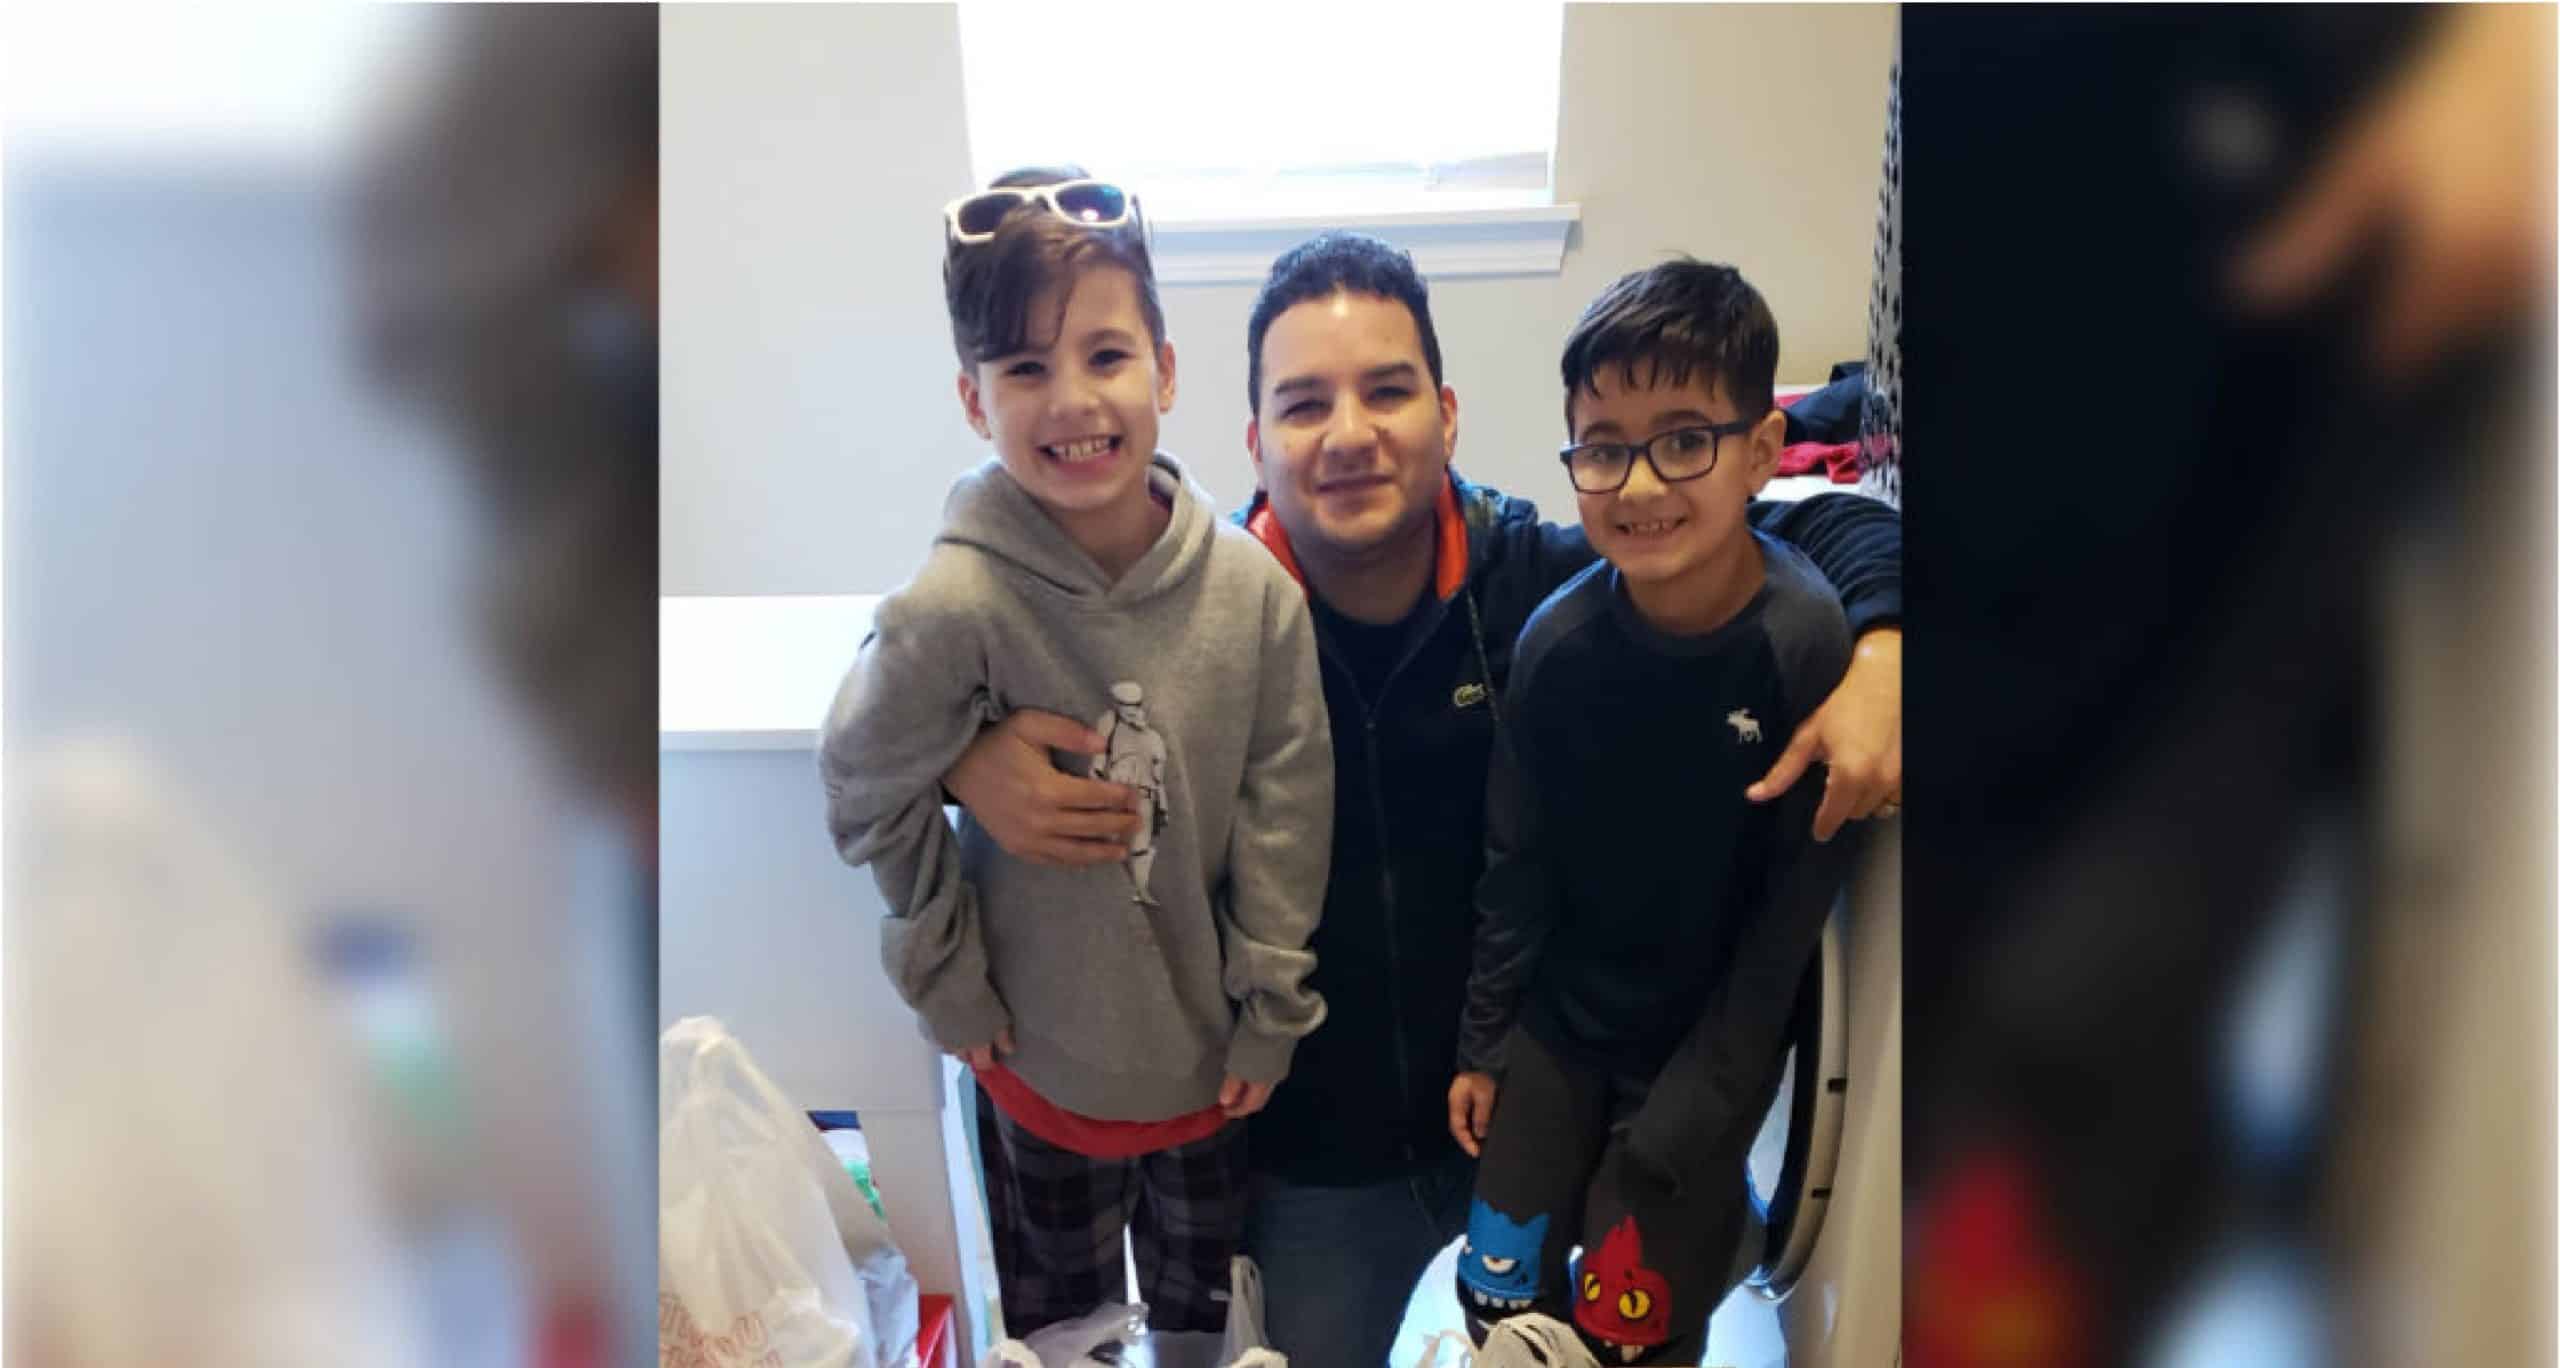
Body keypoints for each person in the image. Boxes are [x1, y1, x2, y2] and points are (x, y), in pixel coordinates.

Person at [945, 230, 1905, 1367]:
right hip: (1308, 1167)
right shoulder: (1185, 618)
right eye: (1304, 404)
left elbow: (1815, 521)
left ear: (1447, 417)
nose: (1349, 433)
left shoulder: (1542, 582)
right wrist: (962, 756)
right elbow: (925, 645)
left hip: (1540, 1108)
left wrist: (1886, 650)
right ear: (1255, 443)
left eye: (1387, 391)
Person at [817, 167, 1335, 1341]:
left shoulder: (1256, 597)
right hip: (1035, 1075)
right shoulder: (949, 606)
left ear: (1165, 368)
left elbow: (1287, 814)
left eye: (1105, 355)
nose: (1071, 400)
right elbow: (860, 785)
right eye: (1023, 368)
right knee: (1059, 1337)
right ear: (972, 398)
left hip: (1212, 1071)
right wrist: (942, 970)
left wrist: (1271, 1008)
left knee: (1209, 1333)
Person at [1446, 259, 1862, 1365]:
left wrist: (1703, 1110)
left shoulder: (1803, 644)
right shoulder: (1557, 646)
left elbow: (1788, 920)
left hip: (1702, 1049)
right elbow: (1515, 864)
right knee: (1496, 1291)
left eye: (1683, 441)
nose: (1638, 486)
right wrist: (1485, 1045)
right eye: (1602, 448)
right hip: (1556, 1032)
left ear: (1762, 452)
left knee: (1632, 1323)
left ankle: (1712, 1239)